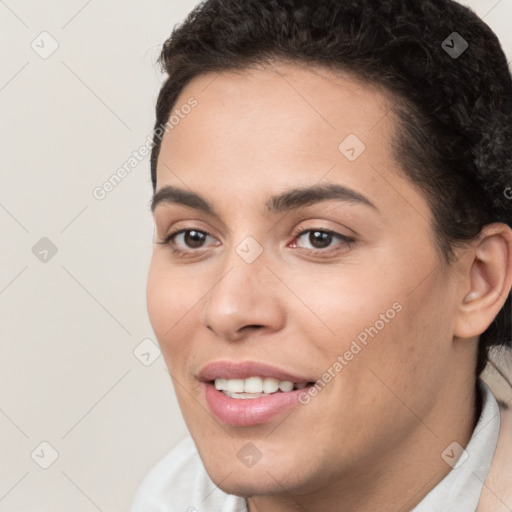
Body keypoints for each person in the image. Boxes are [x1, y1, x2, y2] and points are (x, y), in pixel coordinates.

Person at [131, 0, 512, 510]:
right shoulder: (166, 496)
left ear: (478, 280)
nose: (228, 309)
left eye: (319, 238)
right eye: (193, 237)